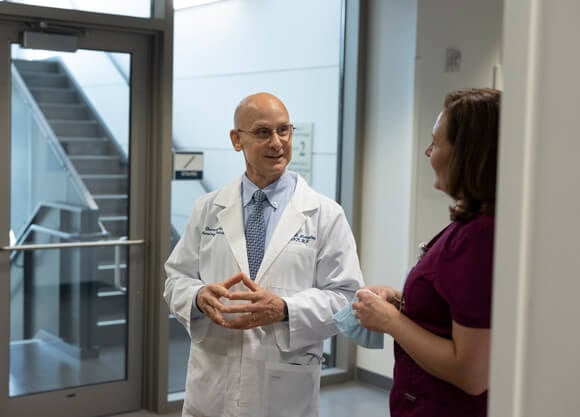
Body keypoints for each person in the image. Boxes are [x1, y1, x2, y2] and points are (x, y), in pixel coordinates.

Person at [164, 92, 363, 417]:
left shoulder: (325, 214)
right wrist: (199, 296)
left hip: (284, 388)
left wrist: (285, 309)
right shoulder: (208, 208)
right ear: (236, 139)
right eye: (262, 132)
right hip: (212, 384)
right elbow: (175, 279)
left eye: (284, 130)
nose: (277, 143)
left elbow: (347, 299)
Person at [352, 88, 501, 417]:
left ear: (466, 154)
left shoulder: (481, 235)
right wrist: (400, 300)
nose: (427, 151)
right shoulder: (469, 225)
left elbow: (471, 373)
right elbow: (454, 311)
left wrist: (391, 321)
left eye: (436, 142)